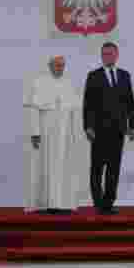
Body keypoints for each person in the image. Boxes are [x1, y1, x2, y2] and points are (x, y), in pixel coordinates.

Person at [24, 56, 87, 213]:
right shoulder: (39, 82)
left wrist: (75, 133)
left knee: (64, 167)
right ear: (50, 66)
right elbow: (33, 109)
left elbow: (75, 110)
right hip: (46, 132)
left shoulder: (69, 83)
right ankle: (47, 202)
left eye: (62, 66)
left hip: (65, 133)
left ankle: (63, 202)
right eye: (57, 65)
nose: (60, 68)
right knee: (46, 166)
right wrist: (35, 132)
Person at [83, 42, 134, 215]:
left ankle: (108, 203)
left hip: (118, 130)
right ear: (101, 56)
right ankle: (98, 203)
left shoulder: (124, 76)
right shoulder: (93, 76)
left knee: (114, 168)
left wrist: (133, 127)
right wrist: (88, 127)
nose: (108, 56)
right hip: (98, 130)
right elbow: (88, 104)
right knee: (97, 168)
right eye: (105, 54)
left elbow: (131, 104)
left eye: (111, 54)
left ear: (117, 55)